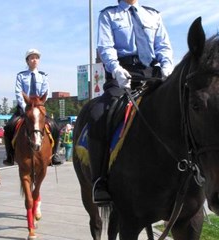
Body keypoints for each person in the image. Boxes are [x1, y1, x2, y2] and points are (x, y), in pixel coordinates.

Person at [88, 0, 174, 204]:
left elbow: (163, 46)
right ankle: (99, 180)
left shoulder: (153, 15)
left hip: (152, 73)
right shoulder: (108, 15)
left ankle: (189, 172)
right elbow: (105, 46)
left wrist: (167, 67)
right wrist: (116, 69)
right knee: (98, 114)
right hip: (123, 73)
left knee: (182, 106)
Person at [2, 48, 62, 166]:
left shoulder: (43, 76)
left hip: (39, 109)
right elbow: (19, 92)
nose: (34, 60)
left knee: (55, 127)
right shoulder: (21, 76)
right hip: (24, 109)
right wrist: (26, 107)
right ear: (27, 61)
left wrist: (39, 106)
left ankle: (54, 155)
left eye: (37, 58)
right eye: (32, 58)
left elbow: (46, 92)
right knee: (9, 127)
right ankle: (9, 155)